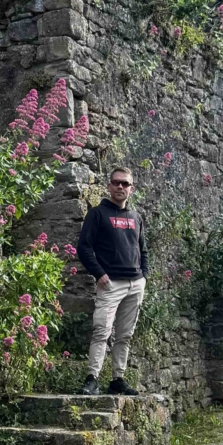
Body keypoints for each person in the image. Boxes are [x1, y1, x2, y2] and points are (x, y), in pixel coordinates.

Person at [76, 167, 148, 396]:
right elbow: (83, 247)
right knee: (101, 331)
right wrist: (99, 274)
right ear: (109, 186)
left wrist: (144, 277)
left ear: (131, 189)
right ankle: (92, 379)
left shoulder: (136, 217)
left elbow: (143, 250)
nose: (120, 187)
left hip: (135, 284)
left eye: (125, 183)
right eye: (116, 182)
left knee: (125, 335)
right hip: (110, 284)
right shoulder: (98, 214)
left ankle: (118, 379)